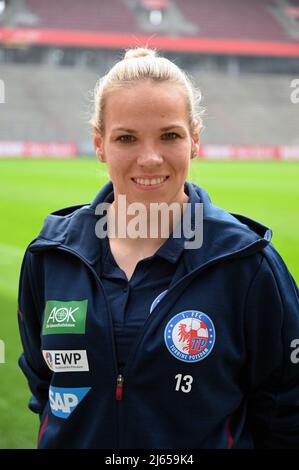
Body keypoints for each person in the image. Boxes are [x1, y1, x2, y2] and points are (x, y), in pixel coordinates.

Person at [18, 47, 299, 449]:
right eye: (126, 138)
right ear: (100, 144)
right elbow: (43, 387)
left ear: (195, 140)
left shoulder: (248, 264)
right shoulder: (50, 257)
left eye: (169, 135)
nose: (149, 158)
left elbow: (285, 411)